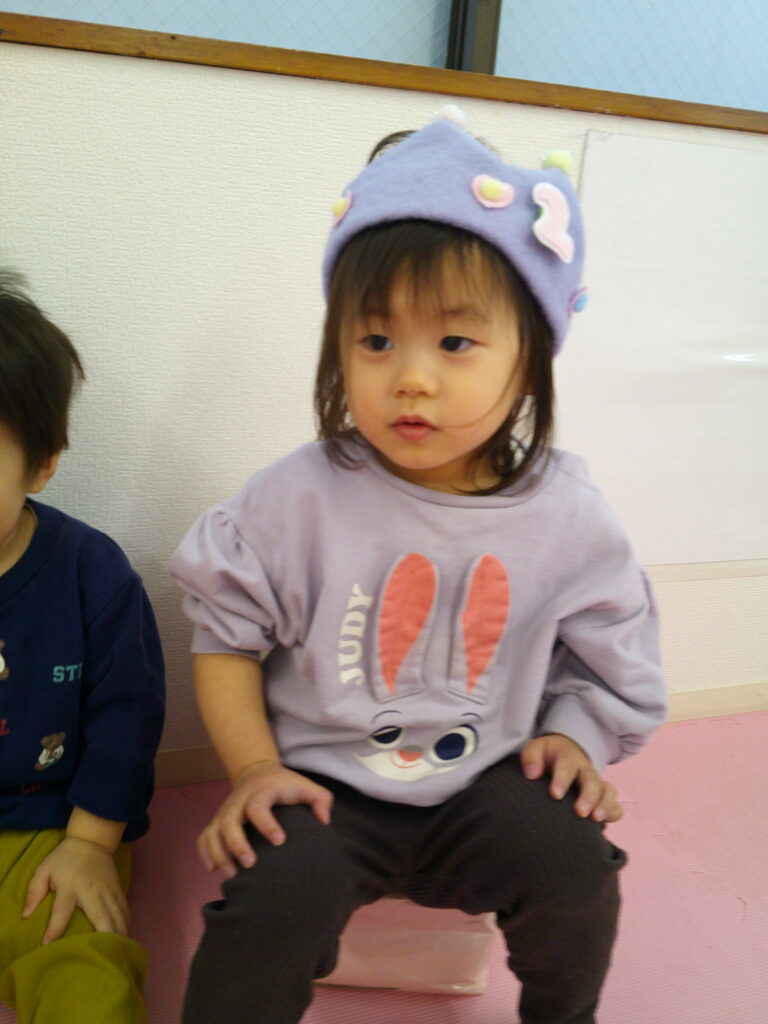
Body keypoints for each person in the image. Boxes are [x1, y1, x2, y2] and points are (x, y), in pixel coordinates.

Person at [170, 112, 667, 1024]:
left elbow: (607, 659)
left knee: (575, 865)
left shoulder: (569, 515)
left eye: (454, 343)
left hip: (489, 783)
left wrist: (574, 739)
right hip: (324, 788)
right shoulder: (296, 496)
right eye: (375, 341)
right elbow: (227, 640)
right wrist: (253, 770)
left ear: (531, 360)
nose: (411, 378)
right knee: (267, 904)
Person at [0, 272, 165, 1023]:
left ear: (42, 465)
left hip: (48, 830)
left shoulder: (91, 574)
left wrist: (91, 844)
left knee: (81, 966)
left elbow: (128, 717)